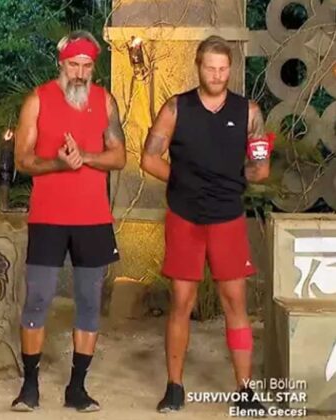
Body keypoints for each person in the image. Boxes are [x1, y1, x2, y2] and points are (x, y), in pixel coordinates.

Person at [140, 35, 273, 414]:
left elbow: (260, 169)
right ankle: (174, 387)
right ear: (198, 67)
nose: (216, 75)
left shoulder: (248, 111)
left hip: (227, 218)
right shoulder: (176, 107)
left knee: (235, 303)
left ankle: (245, 390)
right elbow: (149, 159)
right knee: (182, 302)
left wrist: (245, 173)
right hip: (185, 217)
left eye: (223, 69)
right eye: (210, 68)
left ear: (230, 69)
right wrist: (183, 181)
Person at [10, 30, 127, 413]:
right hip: (48, 217)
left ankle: (77, 388)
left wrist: (86, 158)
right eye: (74, 64)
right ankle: (30, 386)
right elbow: (22, 160)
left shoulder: (104, 100)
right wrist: (59, 164)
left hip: (93, 218)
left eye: (87, 66)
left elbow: (119, 157)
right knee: (38, 298)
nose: (80, 73)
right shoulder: (37, 100)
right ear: (61, 64)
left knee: (89, 302)